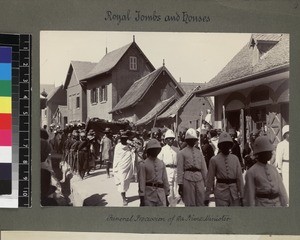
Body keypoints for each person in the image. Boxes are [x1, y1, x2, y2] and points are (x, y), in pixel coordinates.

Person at [244, 136, 288, 207]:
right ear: (260, 153)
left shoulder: (273, 169)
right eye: (267, 152)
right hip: (262, 206)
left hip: (277, 205)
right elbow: (249, 196)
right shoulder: (252, 172)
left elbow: (281, 190)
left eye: (270, 152)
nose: (270, 154)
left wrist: (284, 204)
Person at [205, 132, 244, 207]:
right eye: (223, 144)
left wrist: (242, 196)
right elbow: (210, 179)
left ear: (230, 146)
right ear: (220, 146)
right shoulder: (214, 160)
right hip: (221, 193)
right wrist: (207, 196)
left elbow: (240, 178)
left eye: (227, 144)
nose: (225, 146)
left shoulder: (235, 159)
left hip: (234, 194)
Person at [177, 128, 208, 206]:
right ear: (186, 141)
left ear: (195, 140)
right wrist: (180, 184)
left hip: (199, 178)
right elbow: (180, 169)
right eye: (189, 139)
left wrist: (206, 182)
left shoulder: (199, 152)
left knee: (200, 202)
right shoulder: (182, 153)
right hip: (187, 178)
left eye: (193, 139)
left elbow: (204, 168)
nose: (191, 141)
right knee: (190, 203)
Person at [138, 139, 170, 207]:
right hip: (149, 195)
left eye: (157, 149)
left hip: (161, 195)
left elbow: (165, 180)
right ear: (149, 150)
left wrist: (166, 195)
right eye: (153, 149)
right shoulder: (144, 164)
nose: (155, 151)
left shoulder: (161, 164)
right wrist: (142, 198)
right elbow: (142, 181)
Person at [157, 129, 180, 206]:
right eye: (169, 139)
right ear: (165, 140)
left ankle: (173, 205)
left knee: (175, 187)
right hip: (167, 169)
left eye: (172, 139)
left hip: (175, 170)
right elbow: (159, 162)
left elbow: (179, 161)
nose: (171, 140)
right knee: (168, 187)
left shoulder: (177, 150)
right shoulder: (162, 150)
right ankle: (167, 204)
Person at [113, 133, 135, 206]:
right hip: (121, 167)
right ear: (120, 139)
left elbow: (133, 152)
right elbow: (116, 158)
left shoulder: (129, 146)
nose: (124, 140)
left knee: (126, 181)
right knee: (122, 182)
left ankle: (124, 196)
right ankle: (123, 199)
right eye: (123, 139)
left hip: (128, 166)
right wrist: (115, 167)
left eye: (125, 139)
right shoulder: (118, 147)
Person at [275, 125, 289, 197]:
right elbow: (279, 157)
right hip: (285, 166)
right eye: (288, 133)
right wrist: (279, 170)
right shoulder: (281, 145)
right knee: (286, 183)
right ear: (284, 135)